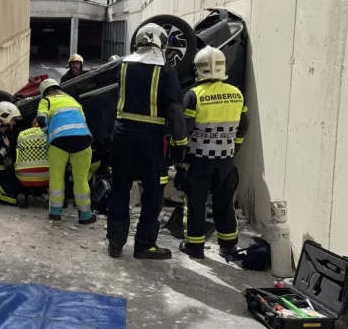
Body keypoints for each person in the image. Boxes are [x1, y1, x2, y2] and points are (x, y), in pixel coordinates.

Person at [106, 24, 188, 260]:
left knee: (120, 189)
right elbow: (175, 110)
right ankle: (144, 245)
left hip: (122, 137)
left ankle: (115, 243)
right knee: (153, 191)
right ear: (161, 44)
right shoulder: (167, 71)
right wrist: (180, 143)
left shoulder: (123, 66)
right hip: (152, 141)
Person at [178, 46, 249, 259]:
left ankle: (195, 246)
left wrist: (179, 160)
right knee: (225, 203)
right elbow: (244, 125)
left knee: (195, 203)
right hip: (226, 161)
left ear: (197, 69)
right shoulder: (236, 94)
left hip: (199, 161)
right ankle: (228, 246)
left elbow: (183, 131)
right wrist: (233, 148)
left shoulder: (194, 95)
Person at [36, 79, 96, 224]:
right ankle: (85, 215)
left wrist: (49, 132)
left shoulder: (46, 101)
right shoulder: (72, 100)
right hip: (83, 139)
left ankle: (55, 213)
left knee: (56, 177)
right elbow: (82, 119)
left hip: (59, 141)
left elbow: (41, 119)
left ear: (44, 92)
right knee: (81, 178)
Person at [14, 120, 50, 193]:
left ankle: (27, 193)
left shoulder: (21, 134)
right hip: (46, 176)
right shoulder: (49, 132)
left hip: (22, 177)